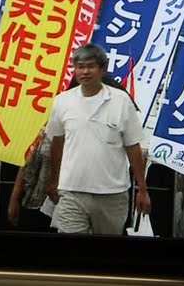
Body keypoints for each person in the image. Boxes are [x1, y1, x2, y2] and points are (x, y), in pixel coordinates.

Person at [45, 43, 151, 235]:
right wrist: (53, 180)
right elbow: (57, 143)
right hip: (71, 190)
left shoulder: (121, 101)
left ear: (102, 69)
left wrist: (142, 189)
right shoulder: (62, 101)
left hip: (112, 194)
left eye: (91, 66)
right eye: (80, 67)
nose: (85, 72)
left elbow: (133, 147)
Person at [7, 126, 55, 232]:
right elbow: (28, 164)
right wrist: (14, 198)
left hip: (68, 202)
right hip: (38, 202)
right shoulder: (49, 126)